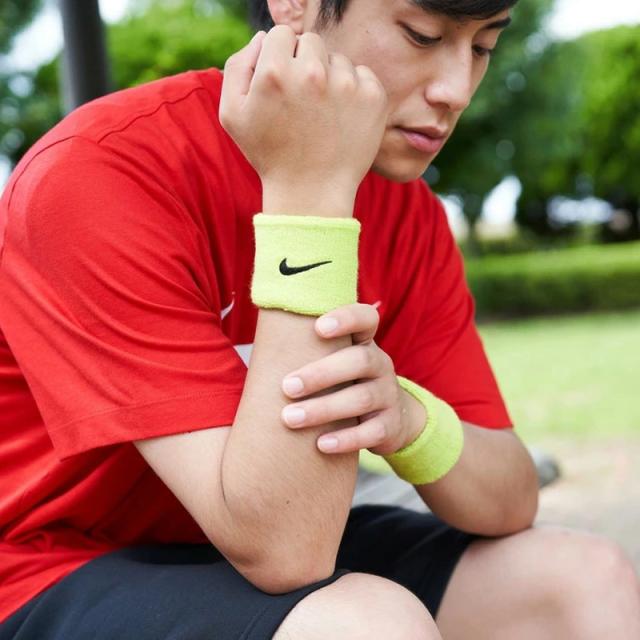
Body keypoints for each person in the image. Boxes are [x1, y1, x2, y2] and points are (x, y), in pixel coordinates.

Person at [1, 0, 639, 637]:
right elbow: (287, 553)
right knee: (365, 625)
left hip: (270, 534)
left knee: (583, 579)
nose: (457, 89)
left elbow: (509, 498)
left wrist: (410, 421)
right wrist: (309, 200)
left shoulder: (404, 206)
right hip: (50, 565)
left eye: (481, 48)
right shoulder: (100, 173)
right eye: (423, 36)